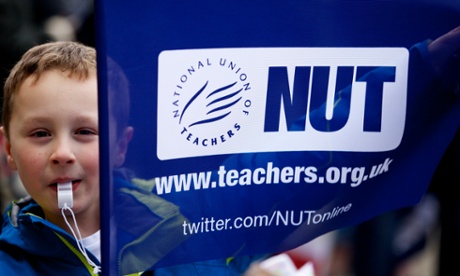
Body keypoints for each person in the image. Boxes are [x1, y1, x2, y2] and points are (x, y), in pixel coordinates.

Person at [0, 41, 258, 275]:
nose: (63, 154)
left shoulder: (189, 223)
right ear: (9, 149)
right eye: (41, 133)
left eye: (85, 132)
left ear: (121, 147)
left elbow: (272, 170)